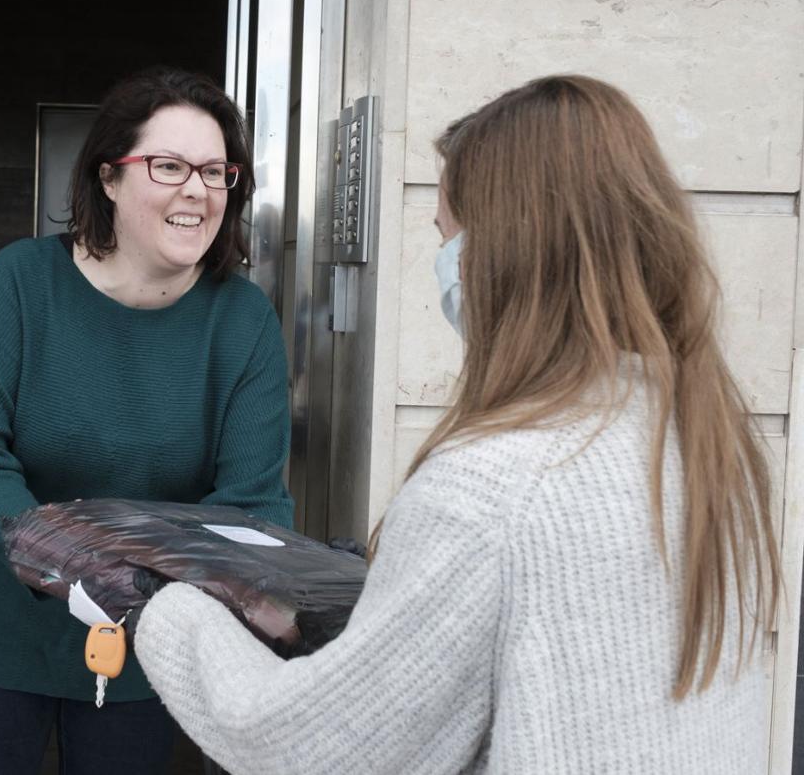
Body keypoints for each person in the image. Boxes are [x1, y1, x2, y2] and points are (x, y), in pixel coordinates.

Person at [132, 75, 782, 774]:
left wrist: (168, 609)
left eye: (447, 237)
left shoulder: (490, 489)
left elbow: (310, 750)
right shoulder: (706, 441)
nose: (445, 267)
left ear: (501, 253)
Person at [0, 67, 294, 774]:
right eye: (169, 165)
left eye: (216, 172)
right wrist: (70, 561)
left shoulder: (242, 320)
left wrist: (172, 590)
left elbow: (251, 499)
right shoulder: (23, 283)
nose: (198, 189)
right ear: (109, 179)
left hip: (149, 639)